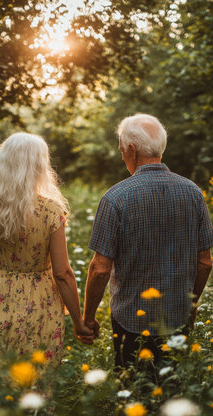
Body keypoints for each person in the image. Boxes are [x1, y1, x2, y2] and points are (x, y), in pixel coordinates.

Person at [81, 113, 213, 368]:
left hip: (131, 321)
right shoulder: (194, 193)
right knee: (174, 397)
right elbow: (205, 263)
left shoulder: (115, 198)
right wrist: (191, 306)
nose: (122, 156)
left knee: (133, 396)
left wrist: (88, 318)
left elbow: (99, 269)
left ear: (132, 150)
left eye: (121, 150)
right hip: (177, 318)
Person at [0, 132, 93, 364]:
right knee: (39, 379)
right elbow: (62, 273)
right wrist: (79, 322)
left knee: (1, 381)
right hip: (41, 304)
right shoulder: (50, 210)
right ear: (40, 166)